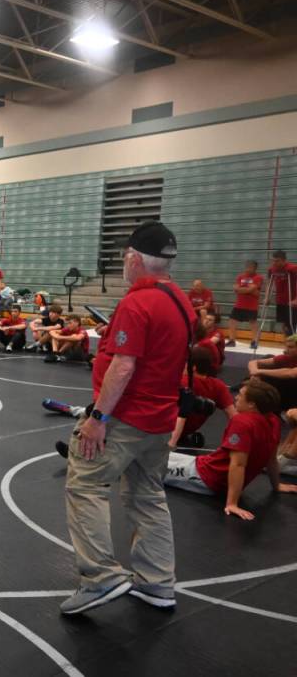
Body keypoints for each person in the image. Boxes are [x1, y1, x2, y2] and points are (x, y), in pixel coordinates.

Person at [60, 221, 193, 615]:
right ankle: (157, 583)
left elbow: (124, 366)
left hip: (126, 418)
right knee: (148, 496)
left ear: (134, 258)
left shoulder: (138, 302)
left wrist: (98, 418)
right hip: (160, 419)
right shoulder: (179, 300)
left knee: (85, 484)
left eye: (125, 256)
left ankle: (100, 576)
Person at [162, 379, 297, 520]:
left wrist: (232, 503)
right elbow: (271, 458)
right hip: (204, 465)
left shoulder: (242, 423)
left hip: (205, 477)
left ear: (252, 404)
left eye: (240, 395)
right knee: (157, 454)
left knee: (147, 466)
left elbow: (238, 464)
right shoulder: (273, 421)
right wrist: (276, 485)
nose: (236, 397)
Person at [168, 346, 236, 448]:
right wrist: (234, 442)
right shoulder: (218, 386)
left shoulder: (181, 381)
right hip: (183, 433)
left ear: (193, 367)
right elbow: (234, 417)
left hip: (164, 432)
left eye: (184, 362)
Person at [247, 334, 297, 411]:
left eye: (290, 347)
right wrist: (255, 374)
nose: (285, 350)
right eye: (286, 346)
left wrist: (258, 372)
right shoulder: (286, 357)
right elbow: (253, 362)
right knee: (267, 357)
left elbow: (291, 373)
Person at [226, 260, 262, 347]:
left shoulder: (258, 277)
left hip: (251, 305)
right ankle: (232, 340)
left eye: (250, 267)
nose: (248, 269)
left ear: (255, 268)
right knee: (232, 321)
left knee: (253, 323)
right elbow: (236, 288)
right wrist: (248, 290)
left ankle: (254, 341)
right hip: (239, 304)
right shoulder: (240, 277)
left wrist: (241, 289)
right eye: (247, 267)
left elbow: (250, 289)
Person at [269, 250, 297, 336]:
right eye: (273, 260)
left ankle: (293, 346)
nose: (274, 263)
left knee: (291, 325)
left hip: (292, 301)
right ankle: (287, 346)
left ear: (284, 260)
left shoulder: (292, 268)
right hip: (281, 301)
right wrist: (267, 297)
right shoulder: (272, 269)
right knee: (284, 325)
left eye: (277, 261)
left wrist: (296, 299)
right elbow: (269, 283)